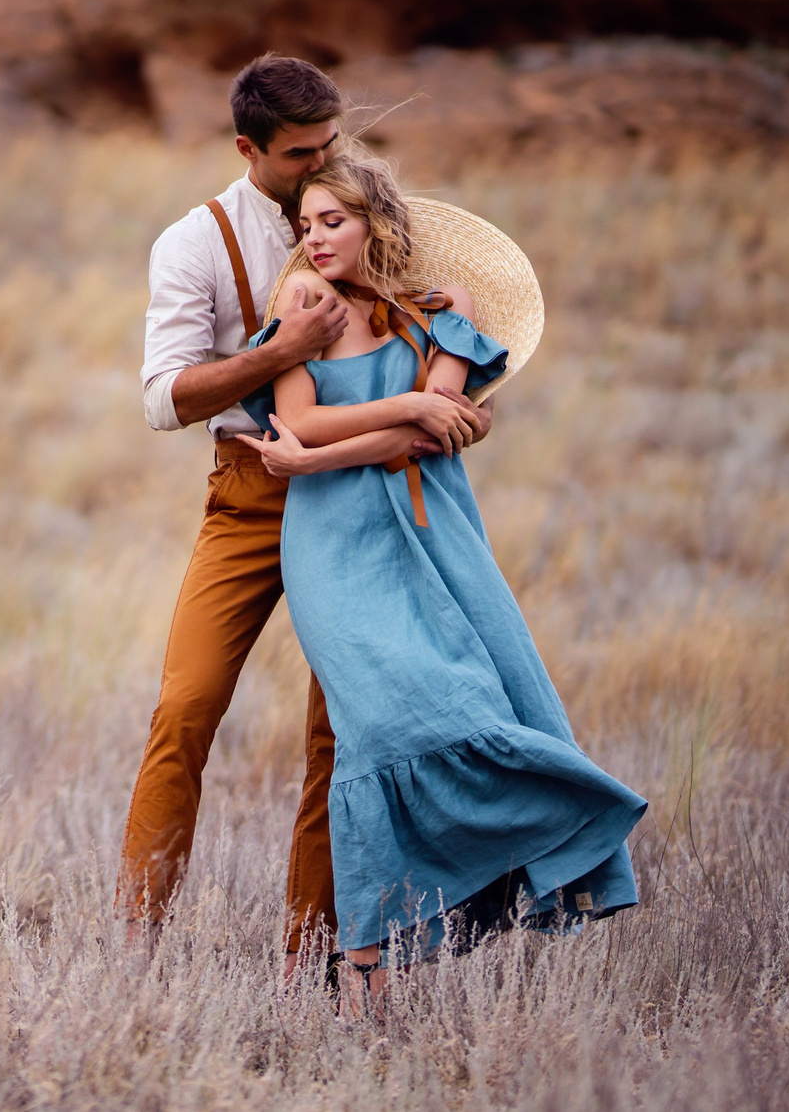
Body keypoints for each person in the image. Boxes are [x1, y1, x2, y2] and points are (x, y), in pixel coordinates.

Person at [232, 150, 645, 1013]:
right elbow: (302, 416)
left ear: (376, 222)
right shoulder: (301, 315)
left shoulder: (444, 315)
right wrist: (404, 405)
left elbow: (428, 437)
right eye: (304, 226)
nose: (313, 239)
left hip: (433, 535)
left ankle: (553, 838)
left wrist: (332, 449)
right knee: (377, 731)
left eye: (331, 221)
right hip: (333, 552)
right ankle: (363, 966)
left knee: (471, 706)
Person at [120, 55, 490, 970]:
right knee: (185, 707)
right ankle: (135, 947)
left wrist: (450, 400)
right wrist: (282, 348)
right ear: (250, 149)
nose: (321, 164)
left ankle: (310, 959)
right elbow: (165, 398)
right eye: (299, 154)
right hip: (248, 493)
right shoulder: (194, 242)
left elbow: (454, 360)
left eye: (333, 144)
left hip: (362, 493)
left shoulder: (379, 222)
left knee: (343, 729)